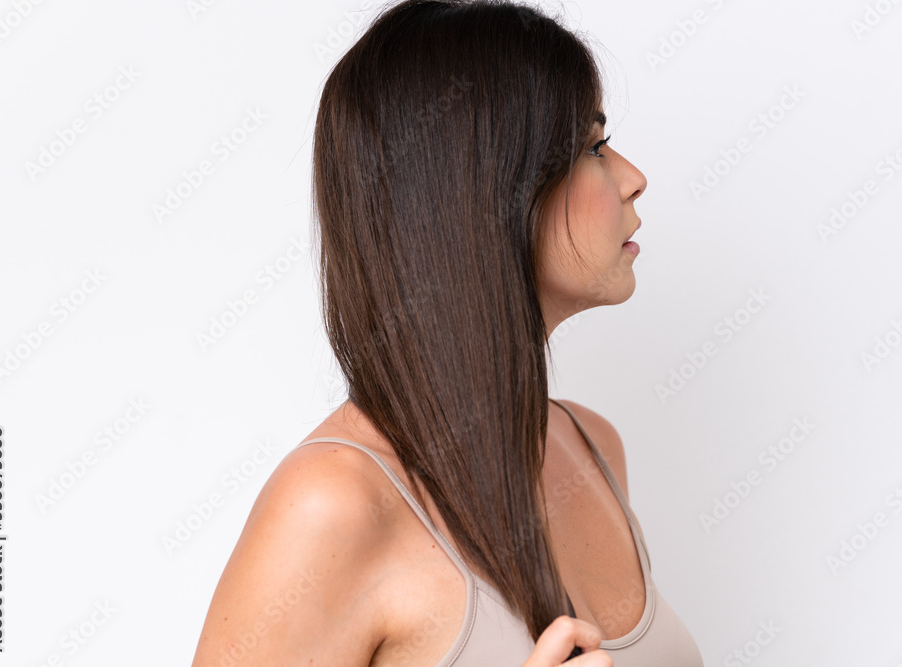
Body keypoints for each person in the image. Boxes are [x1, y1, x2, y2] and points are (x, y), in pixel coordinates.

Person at [192, 1, 703, 665]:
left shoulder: (591, 446)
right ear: (479, 189)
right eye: (592, 147)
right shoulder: (331, 504)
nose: (634, 178)